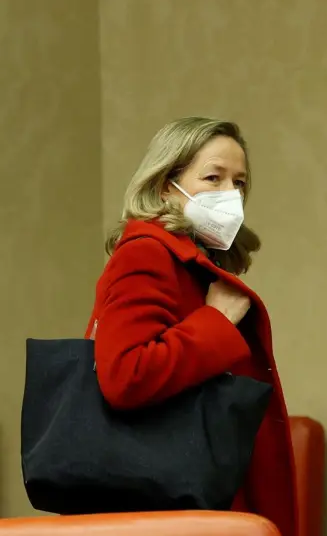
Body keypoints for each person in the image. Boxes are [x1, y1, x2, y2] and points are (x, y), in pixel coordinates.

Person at [85, 117, 296, 536]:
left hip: (194, 497)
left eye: (239, 183)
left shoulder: (191, 263)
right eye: (213, 177)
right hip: (167, 508)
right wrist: (215, 321)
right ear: (165, 185)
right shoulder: (146, 253)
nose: (230, 194)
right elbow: (125, 375)